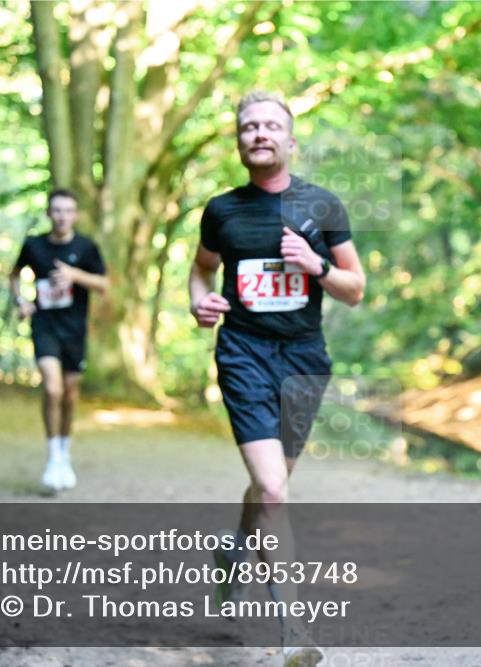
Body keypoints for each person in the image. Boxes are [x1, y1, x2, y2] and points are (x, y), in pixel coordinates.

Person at [189, 91, 365, 666]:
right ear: (238, 142)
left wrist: (314, 266)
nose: (258, 133)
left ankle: (234, 552)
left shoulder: (323, 206)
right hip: (243, 354)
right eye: (248, 127)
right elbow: (201, 272)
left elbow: (355, 288)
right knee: (272, 490)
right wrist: (201, 304)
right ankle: (295, 629)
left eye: (270, 126)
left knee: (272, 485)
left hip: (304, 361)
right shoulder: (222, 210)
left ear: (290, 141)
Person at [10, 189, 109, 492]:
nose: (62, 216)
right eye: (57, 210)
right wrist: (21, 301)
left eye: (68, 210)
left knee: (69, 395)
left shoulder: (86, 247)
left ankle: (64, 453)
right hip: (45, 326)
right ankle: (53, 457)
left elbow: (104, 284)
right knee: (52, 387)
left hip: (74, 331)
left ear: (76, 215)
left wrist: (75, 275)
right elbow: (13, 275)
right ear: (48, 213)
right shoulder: (34, 245)